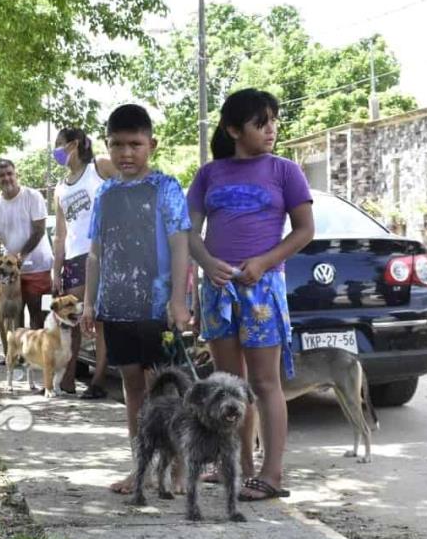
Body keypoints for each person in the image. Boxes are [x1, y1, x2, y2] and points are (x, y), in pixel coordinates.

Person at [186, 88, 315, 502]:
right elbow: (188, 231)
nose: (272, 130)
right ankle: (235, 467)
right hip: (218, 289)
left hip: (262, 288)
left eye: (274, 121)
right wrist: (206, 262)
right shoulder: (209, 174)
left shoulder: (284, 171)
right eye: (262, 123)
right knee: (230, 385)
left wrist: (263, 261)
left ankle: (271, 473)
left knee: (263, 382)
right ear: (233, 129)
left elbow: (304, 231)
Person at [80, 105, 191, 494]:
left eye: (135, 144)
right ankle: (140, 467)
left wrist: (178, 299)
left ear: (152, 145)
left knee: (168, 389)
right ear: (107, 147)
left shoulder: (167, 189)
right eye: (117, 145)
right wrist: (90, 302)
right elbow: (96, 252)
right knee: (132, 389)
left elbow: (181, 244)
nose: (126, 153)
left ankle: (178, 466)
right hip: (118, 306)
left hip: (158, 307)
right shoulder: (105, 195)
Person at [51, 128, 115, 398]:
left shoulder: (98, 167)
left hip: (103, 251)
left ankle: (98, 381)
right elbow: (60, 233)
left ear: (74, 145)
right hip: (75, 257)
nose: (56, 153)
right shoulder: (60, 188)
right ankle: (67, 378)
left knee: (99, 320)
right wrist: (56, 270)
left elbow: (130, 183)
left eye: (59, 146)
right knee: (71, 318)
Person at [0, 159, 54, 330]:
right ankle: (15, 356)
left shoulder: (33, 196)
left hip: (38, 266)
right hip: (11, 271)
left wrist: (21, 256)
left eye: (10, 174)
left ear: (16, 175)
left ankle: (36, 356)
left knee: (37, 316)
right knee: (13, 317)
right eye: (1, 175)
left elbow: (39, 230)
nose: (6, 178)